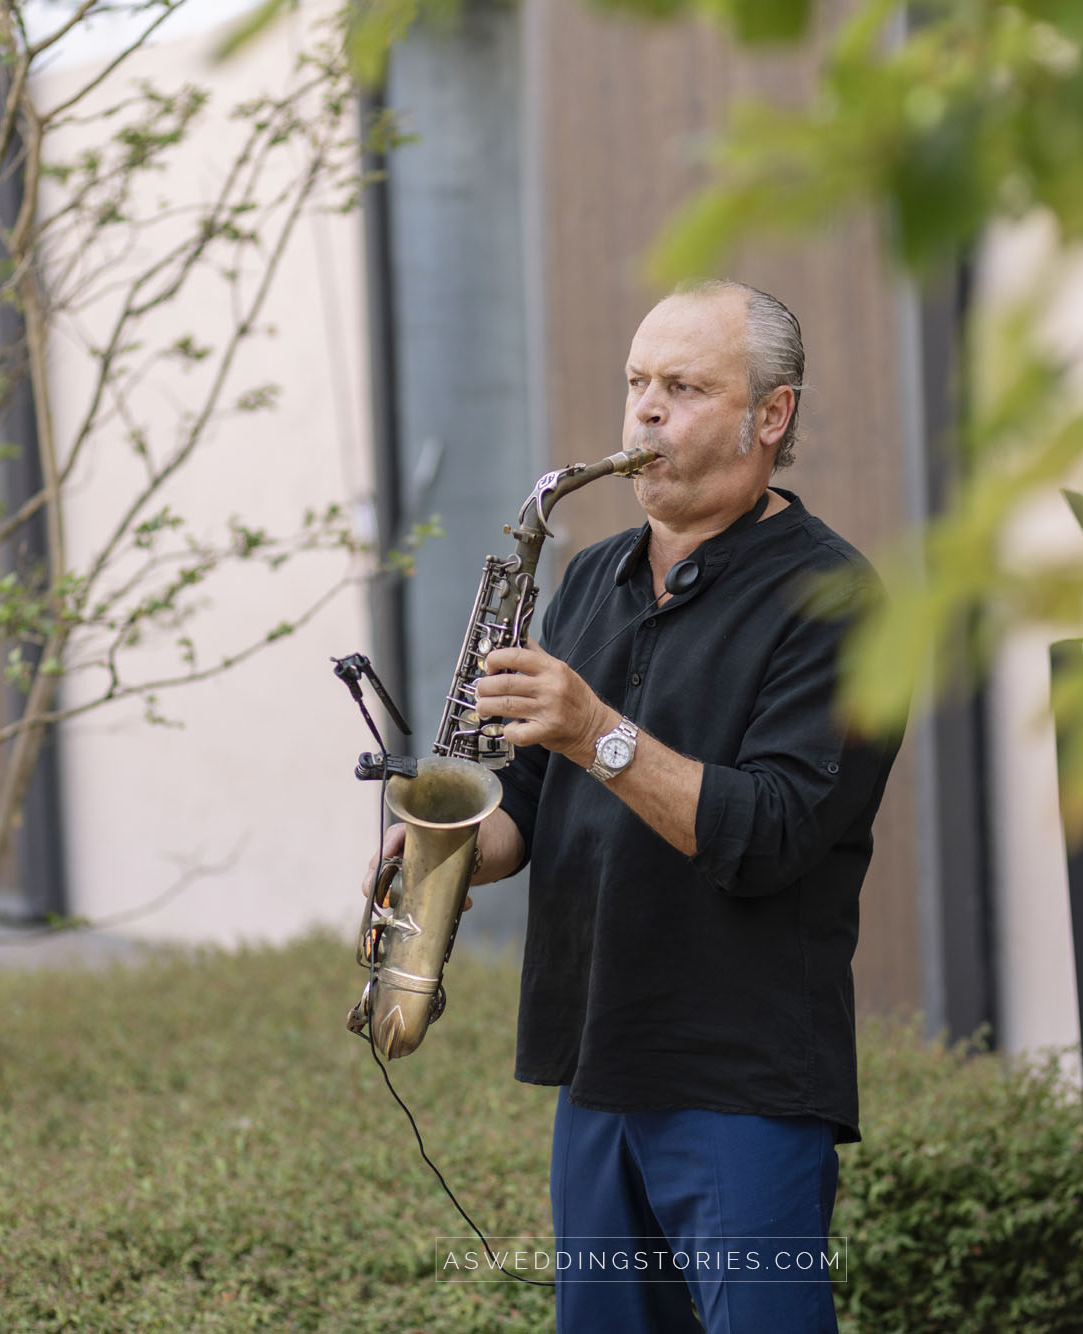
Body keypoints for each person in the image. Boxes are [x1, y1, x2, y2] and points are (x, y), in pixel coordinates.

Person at [376, 279, 902, 1333]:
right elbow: (528, 805)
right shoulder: (589, 579)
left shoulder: (836, 600)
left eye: (685, 387)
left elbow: (774, 831)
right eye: (636, 382)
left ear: (771, 415)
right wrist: (445, 850)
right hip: (596, 1065)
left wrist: (593, 730)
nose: (645, 410)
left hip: (742, 1082)